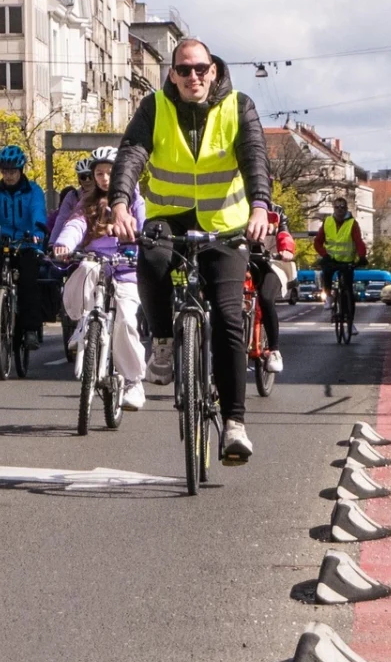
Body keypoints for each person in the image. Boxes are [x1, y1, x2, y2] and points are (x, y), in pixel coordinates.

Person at [107, 37, 271, 465]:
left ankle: (234, 424)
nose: (193, 76)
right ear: (173, 74)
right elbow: (131, 154)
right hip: (169, 216)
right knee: (151, 254)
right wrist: (120, 202)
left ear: (213, 70)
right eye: (184, 70)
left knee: (229, 317)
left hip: (224, 222)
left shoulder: (238, 106)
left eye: (200, 69)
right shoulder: (154, 107)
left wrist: (259, 206)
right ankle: (162, 341)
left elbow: (255, 158)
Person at [53, 146, 148, 411]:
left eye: (110, 173)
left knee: (126, 321)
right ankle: (83, 323)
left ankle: (133, 382)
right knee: (85, 270)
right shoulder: (87, 202)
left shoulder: (135, 200)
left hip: (126, 268)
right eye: (99, 174)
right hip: (97, 262)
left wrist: (140, 247)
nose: (105, 179)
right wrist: (64, 244)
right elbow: (76, 224)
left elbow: (143, 228)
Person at [0, 145, 48, 350]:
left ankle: (30, 330)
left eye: (12, 172)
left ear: (21, 170)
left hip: (26, 242)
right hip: (2, 242)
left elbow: (38, 211)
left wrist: (38, 231)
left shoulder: (33, 191)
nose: (9, 176)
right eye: (5, 172)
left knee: (28, 283)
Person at [250, 207, 293, 379]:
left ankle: (274, 350)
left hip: (272, 264)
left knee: (266, 298)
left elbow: (284, 233)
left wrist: (286, 249)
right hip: (241, 262)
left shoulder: (276, 212)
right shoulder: (236, 208)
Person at [313, 199, 363, 310]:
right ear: (333, 208)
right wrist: (324, 255)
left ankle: (349, 309)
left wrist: (362, 256)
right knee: (326, 275)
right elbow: (317, 242)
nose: (340, 210)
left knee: (348, 286)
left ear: (346, 209)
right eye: (337, 207)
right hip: (330, 259)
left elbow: (358, 242)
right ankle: (329, 296)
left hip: (347, 260)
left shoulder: (352, 223)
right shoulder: (328, 222)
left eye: (342, 207)